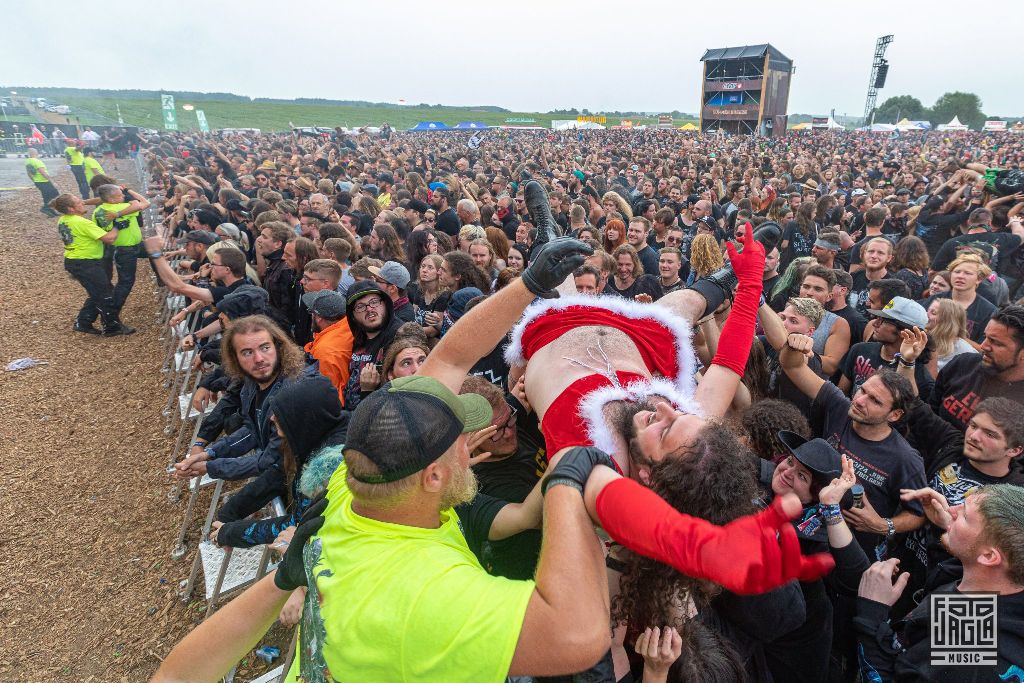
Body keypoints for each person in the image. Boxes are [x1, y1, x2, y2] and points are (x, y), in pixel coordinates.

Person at [854, 485, 1024, 682]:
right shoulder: (997, 581)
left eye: (965, 516)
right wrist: (949, 531)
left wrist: (871, 614)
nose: (951, 510)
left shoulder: (968, 652)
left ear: (988, 556)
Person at [780, 333, 927, 556]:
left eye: (875, 401)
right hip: (804, 531)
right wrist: (792, 346)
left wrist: (883, 525)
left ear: (895, 415)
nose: (859, 401)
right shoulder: (840, 406)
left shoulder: (905, 459)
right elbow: (792, 368)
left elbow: (918, 514)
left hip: (850, 551)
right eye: (863, 390)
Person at [929, 305, 1024, 432]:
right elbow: (929, 413)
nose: (983, 346)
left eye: (995, 342)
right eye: (985, 337)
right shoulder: (963, 364)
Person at [51, 193, 134, 336]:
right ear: (71, 209)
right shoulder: (82, 222)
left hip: (74, 260)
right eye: (78, 202)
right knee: (105, 293)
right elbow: (109, 239)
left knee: (98, 290)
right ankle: (111, 327)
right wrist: (117, 227)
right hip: (85, 262)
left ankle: (84, 322)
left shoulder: (63, 220)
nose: (82, 203)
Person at [841, 296, 935, 398]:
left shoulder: (920, 378)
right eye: (877, 319)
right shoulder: (860, 349)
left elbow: (909, 409)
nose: (875, 324)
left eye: (883, 321)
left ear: (904, 332)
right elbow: (841, 393)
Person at [93, 183, 150, 315]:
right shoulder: (121, 207)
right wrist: (130, 191)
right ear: (112, 199)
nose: (123, 196)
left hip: (124, 247)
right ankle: (112, 314)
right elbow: (144, 202)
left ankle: (162, 278)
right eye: (120, 195)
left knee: (155, 251)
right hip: (126, 249)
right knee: (126, 282)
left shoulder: (98, 210)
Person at [922, 253, 997, 344]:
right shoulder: (935, 299)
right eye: (957, 272)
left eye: (968, 273)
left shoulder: (988, 311)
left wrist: (953, 335)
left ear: (979, 279)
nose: (960, 276)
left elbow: (984, 349)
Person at [302, 289, 354, 405]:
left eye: (312, 313)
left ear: (319, 317)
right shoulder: (347, 327)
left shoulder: (325, 351)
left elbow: (328, 396)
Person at [926, 298, 979, 375]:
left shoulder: (966, 353)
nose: (926, 314)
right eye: (928, 311)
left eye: (933, 313)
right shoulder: (922, 339)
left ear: (947, 321)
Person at [26, 149, 59, 216]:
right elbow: (43, 173)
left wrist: (34, 181)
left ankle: (50, 210)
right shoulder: (37, 162)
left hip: (38, 181)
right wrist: (52, 182)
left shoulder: (28, 161)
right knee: (55, 194)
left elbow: (29, 173)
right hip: (44, 181)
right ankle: (46, 208)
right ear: (36, 153)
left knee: (46, 196)